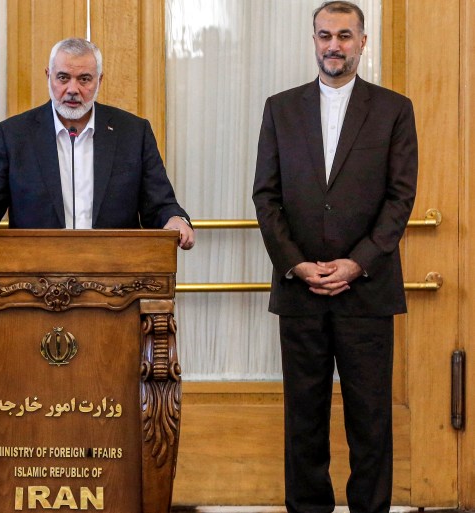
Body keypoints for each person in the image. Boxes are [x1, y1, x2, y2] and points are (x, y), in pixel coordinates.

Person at [252, 2, 418, 513]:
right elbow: (267, 196)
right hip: (300, 290)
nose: (334, 46)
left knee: (370, 421)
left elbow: (400, 197)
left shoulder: (393, 109)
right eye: (325, 35)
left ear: (363, 42)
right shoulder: (280, 108)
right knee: (304, 421)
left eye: (345, 36)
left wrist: (358, 261)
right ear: (314, 41)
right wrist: (296, 264)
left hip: (366, 290)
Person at [0, 38, 194, 250]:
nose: (72, 89)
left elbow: (159, 204)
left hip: (115, 278)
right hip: (34, 279)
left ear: (99, 81)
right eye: (63, 78)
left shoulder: (133, 133)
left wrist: (175, 220)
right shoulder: (13, 135)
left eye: (84, 79)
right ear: (48, 76)